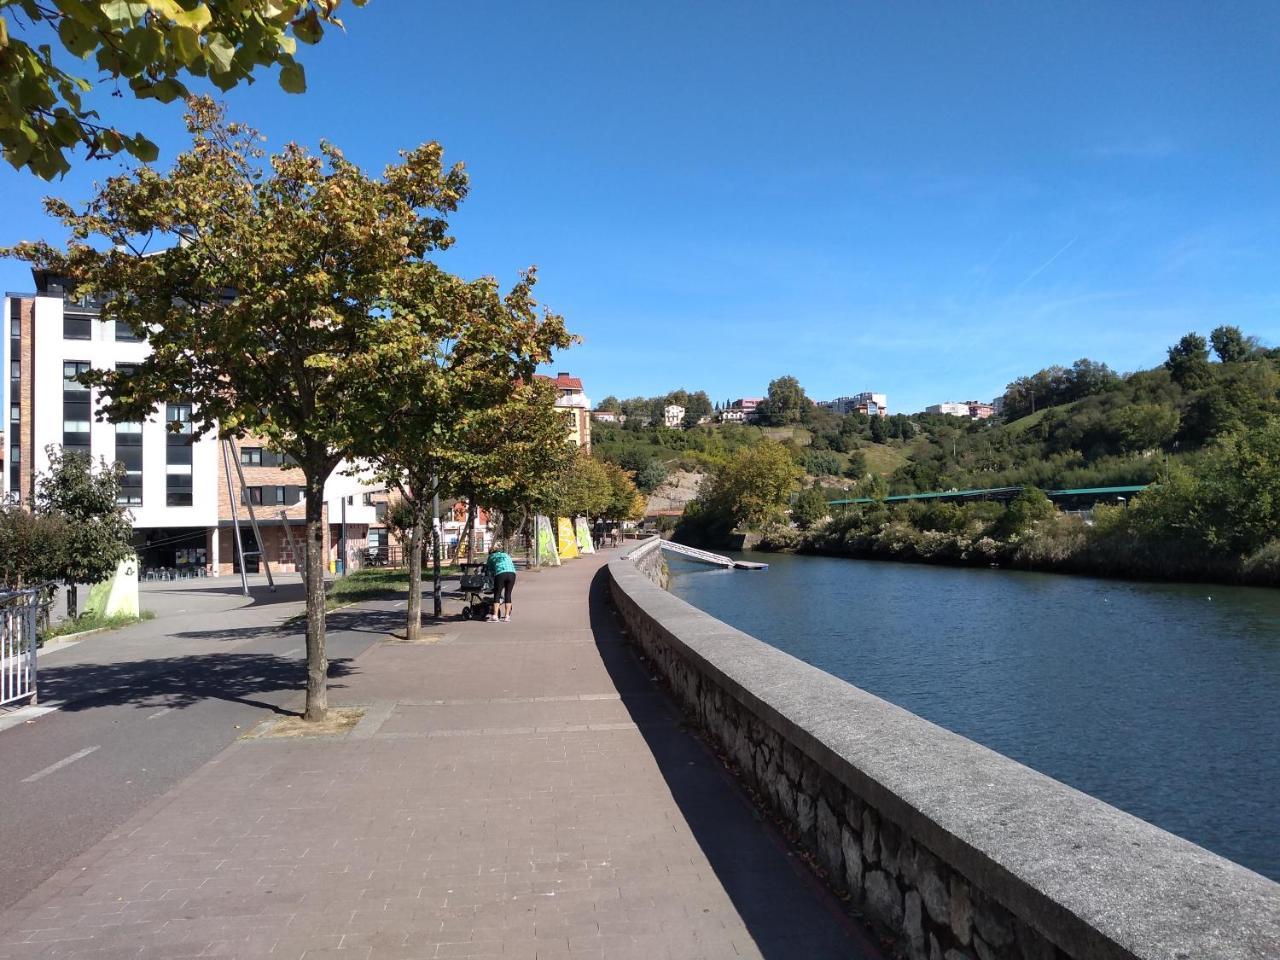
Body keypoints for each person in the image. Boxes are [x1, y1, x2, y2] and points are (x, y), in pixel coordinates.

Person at [485, 543, 517, 622]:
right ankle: (507, 617)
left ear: (490, 552)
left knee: (497, 594)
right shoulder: (505, 555)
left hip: (501, 574)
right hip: (512, 573)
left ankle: (495, 616)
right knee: (508, 594)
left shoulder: (491, 557)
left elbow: (488, 570)